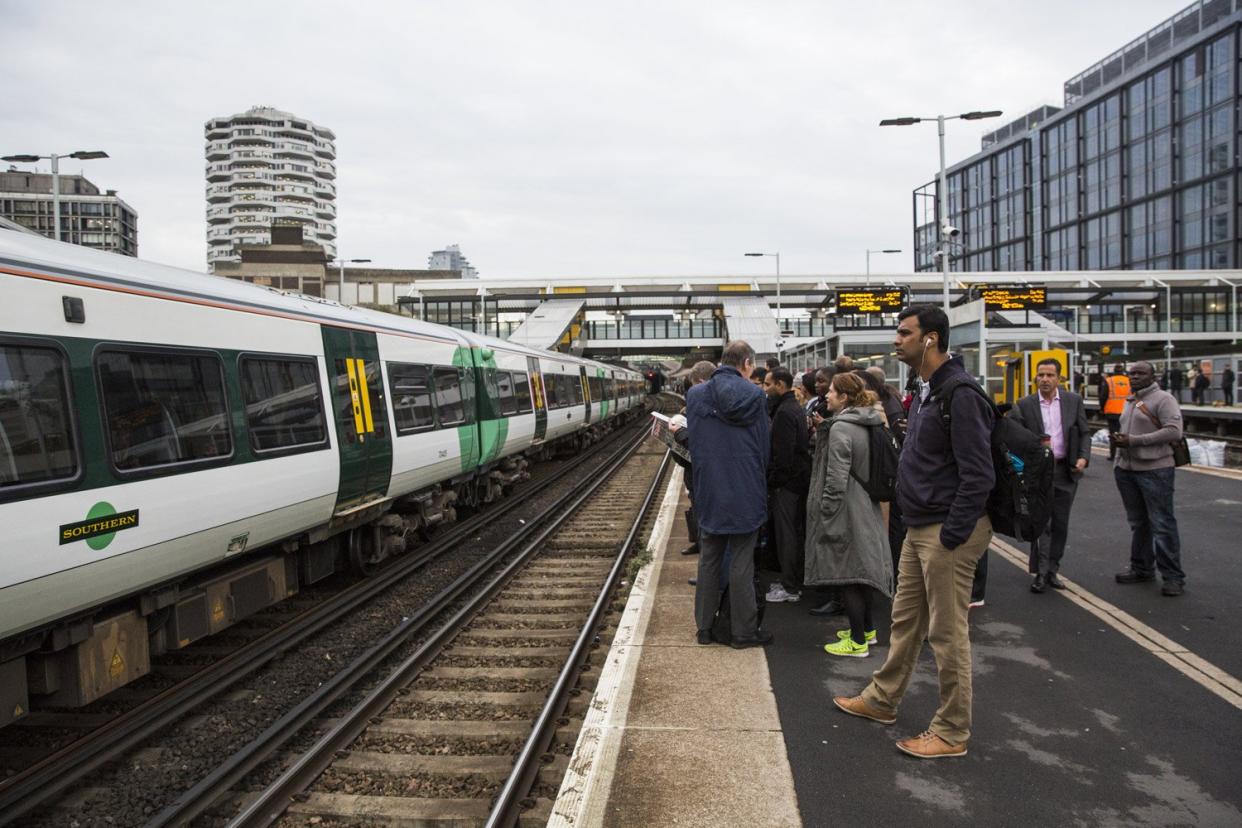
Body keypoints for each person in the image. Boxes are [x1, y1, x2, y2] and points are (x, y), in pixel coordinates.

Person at [833, 304, 994, 760]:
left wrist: (952, 536)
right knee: (905, 622)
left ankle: (952, 731)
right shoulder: (925, 390)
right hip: (921, 524)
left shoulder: (959, 394)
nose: (896, 339)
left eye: (904, 333)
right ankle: (882, 700)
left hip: (946, 530)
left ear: (930, 339)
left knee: (947, 634)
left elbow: (979, 474)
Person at [686, 340, 774, 647]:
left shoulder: (695, 395)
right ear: (747, 363)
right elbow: (764, 447)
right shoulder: (756, 395)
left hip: (709, 487)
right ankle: (742, 632)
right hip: (746, 488)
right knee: (741, 561)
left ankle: (704, 629)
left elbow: (694, 444)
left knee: (708, 558)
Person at [806, 372, 893, 657]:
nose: (827, 395)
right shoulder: (868, 420)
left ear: (844, 397)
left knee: (848, 574)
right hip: (865, 503)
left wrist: (827, 512)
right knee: (861, 572)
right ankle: (867, 631)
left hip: (846, 507)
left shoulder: (842, 428)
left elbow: (836, 478)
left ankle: (856, 642)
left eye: (831, 391)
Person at [1007, 358, 1090, 592]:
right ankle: (1041, 573)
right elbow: (1015, 435)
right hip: (1040, 472)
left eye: (1049, 375)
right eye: (1040, 375)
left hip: (1066, 471)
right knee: (1042, 523)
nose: (1044, 379)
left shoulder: (1073, 401)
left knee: (1061, 524)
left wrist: (1083, 457)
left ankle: (1053, 569)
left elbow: (1085, 432)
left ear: (1059, 378)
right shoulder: (1025, 404)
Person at [1113, 361, 1186, 597]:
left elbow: (1174, 431)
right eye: (1131, 373)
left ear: (1153, 376)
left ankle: (1173, 577)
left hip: (1155, 469)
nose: (1134, 377)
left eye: (1140, 373)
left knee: (1162, 524)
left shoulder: (1164, 399)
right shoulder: (1130, 400)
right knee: (1139, 523)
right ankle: (1142, 568)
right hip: (1126, 469)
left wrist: (1133, 440)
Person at [763, 367, 811, 604]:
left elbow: (783, 455)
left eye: (768, 384)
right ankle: (789, 580)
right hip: (796, 481)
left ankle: (790, 586)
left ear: (780, 385)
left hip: (788, 485)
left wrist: (774, 482)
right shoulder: (794, 408)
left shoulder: (784, 412)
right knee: (792, 532)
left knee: (787, 535)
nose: (765, 388)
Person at [670, 361, 716, 558]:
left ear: (701, 381)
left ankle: (705, 550)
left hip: (705, 473)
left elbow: (702, 443)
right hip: (693, 469)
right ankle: (698, 543)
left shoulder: (713, 406)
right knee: (695, 505)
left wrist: (681, 433)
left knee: (704, 511)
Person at [1099, 364, 1129, 461]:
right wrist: (1138, 407)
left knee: (1114, 434)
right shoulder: (1128, 380)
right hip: (1126, 411)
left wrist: (1102, 408)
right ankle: (1125, 455)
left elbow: (1103, 396)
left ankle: (1113, 455)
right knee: (1125, 433)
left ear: (1114, 371)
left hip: (1111, 411)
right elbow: (1135, 397)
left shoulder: (1109, 381)